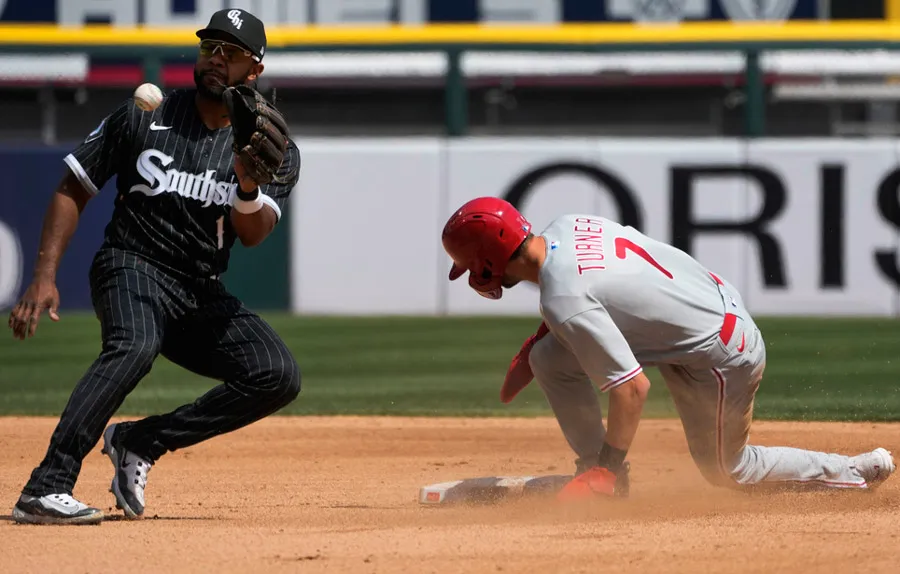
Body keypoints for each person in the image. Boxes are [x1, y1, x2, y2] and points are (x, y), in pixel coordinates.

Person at [8, 9, 302, 525]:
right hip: (131, 263)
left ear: (253, 70)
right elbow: (72, 187)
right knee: (135, 344)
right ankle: (47, 485)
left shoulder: (270, 146)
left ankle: (140, 440)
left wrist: (249, 185)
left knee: (276, 374)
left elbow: (253, 235)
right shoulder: (145, 114)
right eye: (209, 46)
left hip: (198, 289)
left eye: (230, 53)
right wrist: (44, 274)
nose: (215, 59)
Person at [441, 196, 895, 500]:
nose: (472, 275)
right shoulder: (568, 225)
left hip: (721, 354)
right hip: (709, 306)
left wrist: (612, 465)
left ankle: (852, 470)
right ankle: (595, 471)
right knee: (548, 360)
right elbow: (603, 285)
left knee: (728, 470)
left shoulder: (563, 298)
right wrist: (544, 337)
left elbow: (632, 390)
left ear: (486, 260)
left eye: (468, 265)